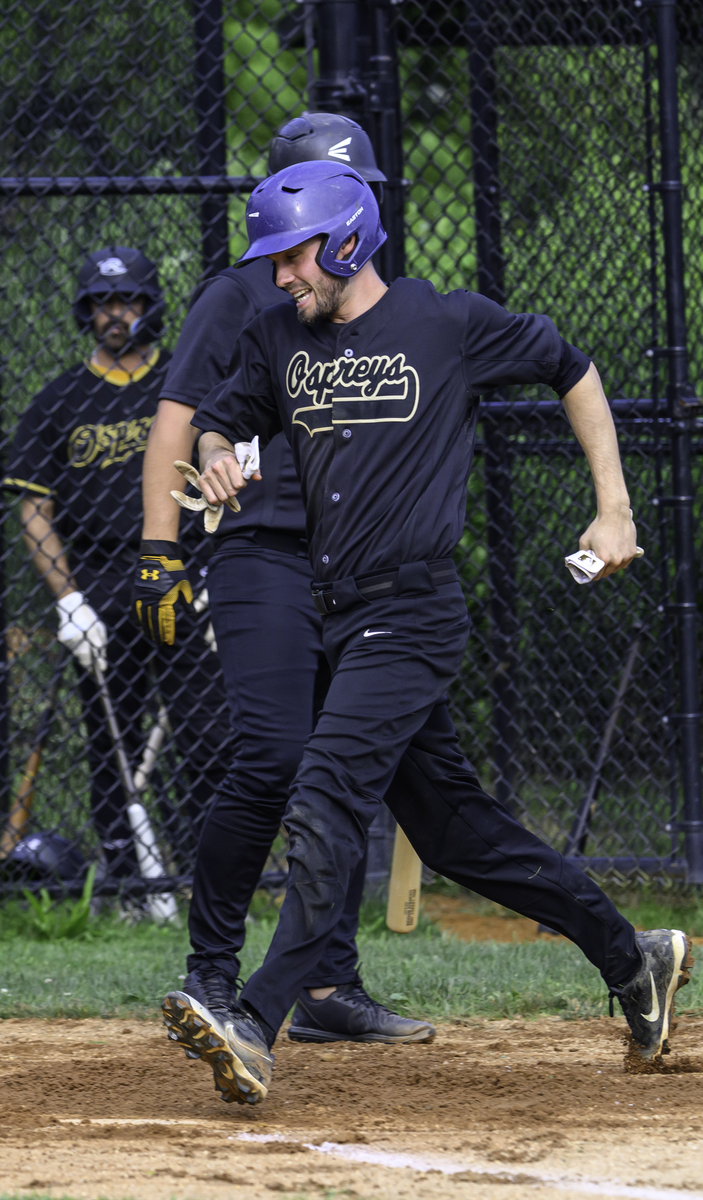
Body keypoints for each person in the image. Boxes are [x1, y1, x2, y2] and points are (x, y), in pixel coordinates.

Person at [158, 160, 693, 1105]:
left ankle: (255, 1017)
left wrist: (614, 509)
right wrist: (215, 459)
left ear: (351, 238)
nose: (280, 276)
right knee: (457, 834)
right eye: (274, 261)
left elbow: (571, 368)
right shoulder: (280, 336)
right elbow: (215, 419)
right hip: (336, 613)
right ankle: (633, 956)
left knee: (322, 792)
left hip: (412, 611)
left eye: (293, 256)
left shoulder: (442, 322)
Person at [139, 114, 433, 1047]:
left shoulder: (376, 299)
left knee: (339, 768)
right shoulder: (242, 296)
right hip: (263, 550)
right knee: (272, 754)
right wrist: (159, 550)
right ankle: (211, 975)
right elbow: (179, 421)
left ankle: (325, 985)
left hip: (354, 562)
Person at [6, 247, 229, 885]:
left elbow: (224, 467)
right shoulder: (57, 402)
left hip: (183, 575)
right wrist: (67, 600)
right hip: (101, 587)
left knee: (206, 734)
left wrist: (221, 566)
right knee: (112, 746)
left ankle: (206, 875)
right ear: (87, 310)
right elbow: (34, 509)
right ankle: (130, 880)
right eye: (103, 302)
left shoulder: (182, 383)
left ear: (148, 306)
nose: (115, 313)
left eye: (127, 300)